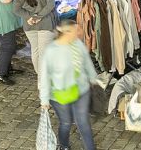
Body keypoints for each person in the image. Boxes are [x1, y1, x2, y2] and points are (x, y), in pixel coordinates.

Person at [39, 19, 98, 150]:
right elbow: (44, 77)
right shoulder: (51, 51)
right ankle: (64, 146)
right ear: (65, 32)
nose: (78, 33)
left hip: (81, 91)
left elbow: (87, 63)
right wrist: (44, 100)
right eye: (75, 30)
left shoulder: (78, 44)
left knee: (83, 123)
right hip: (60, 95)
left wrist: (93, 78)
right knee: (66, 123)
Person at [13, 0, 56, 74]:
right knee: (44, 53)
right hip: (45, 24)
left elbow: (16, 9)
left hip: (29, 25)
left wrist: (29, 17)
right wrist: (38, 16)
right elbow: (50, 5)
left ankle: (40, 76)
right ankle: (43, 79)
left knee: (35, 51)